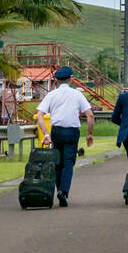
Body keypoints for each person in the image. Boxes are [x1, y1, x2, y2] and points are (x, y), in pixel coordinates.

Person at [36, 66, 95, 207]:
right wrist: (89, 134)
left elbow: (39, 115)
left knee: (58, 162)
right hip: (72, 132)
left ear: (56, 80)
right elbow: (90, 115)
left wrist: (46, 134)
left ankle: (59, 189)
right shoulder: (77, 95)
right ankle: (64, 191)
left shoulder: (51, 95)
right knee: (69, 163)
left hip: (56, 131)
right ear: (71, 78)